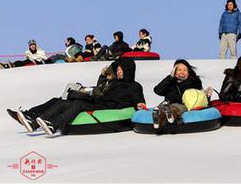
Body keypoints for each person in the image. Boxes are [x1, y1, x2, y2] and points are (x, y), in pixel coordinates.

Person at [13, 58, 146, 136]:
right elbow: (100, 92)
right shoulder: (115, 83)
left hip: (109, 107)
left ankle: (54, 124)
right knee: (65, 101)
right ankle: (34, 123)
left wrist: (139, 104)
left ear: (128, 70)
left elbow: (138, 99)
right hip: (100, 102)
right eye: (117, 69)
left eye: (120, 69)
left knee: (79, 104)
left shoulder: (134, 86)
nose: (118, 71)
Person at [152, 59, 211, 129]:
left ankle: (170, 115)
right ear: (174, 71)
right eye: (179, 70)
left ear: (188, 72)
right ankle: (157, 119)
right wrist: (170, 78)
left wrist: (207, 95)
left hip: (182, 105)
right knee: (161, 108)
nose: (182, 72)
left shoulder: (193, 81)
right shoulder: (170, 81)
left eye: (185, 70)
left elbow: (199, 97)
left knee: (174, 108)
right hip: (167, 103)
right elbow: (157, 90)